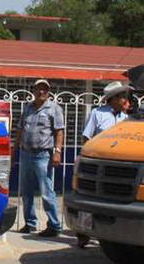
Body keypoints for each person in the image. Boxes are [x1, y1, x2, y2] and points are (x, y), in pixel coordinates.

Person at [75, 80, 133, 247]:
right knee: (89, 200)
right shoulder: (97, 114)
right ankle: (83, 232)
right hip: (98, 164)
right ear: (113, 98)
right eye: (122, 97)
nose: (125, 100)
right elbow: (86, 137)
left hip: (118, 166)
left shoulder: (126, 118)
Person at [15, 79, 66, 237]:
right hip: (26, 154)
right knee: (26, 191)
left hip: (43, 155)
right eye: (39, 89)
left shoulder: (54, 108)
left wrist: (58, 152)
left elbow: (59, 132)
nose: (41, 92)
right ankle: (30, 223)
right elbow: (20, 129)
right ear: (34, 91)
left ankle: (54, 225)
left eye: (45, 89)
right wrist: (14, 148)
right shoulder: (28, 108)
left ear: (48, 92)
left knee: (46, 192)